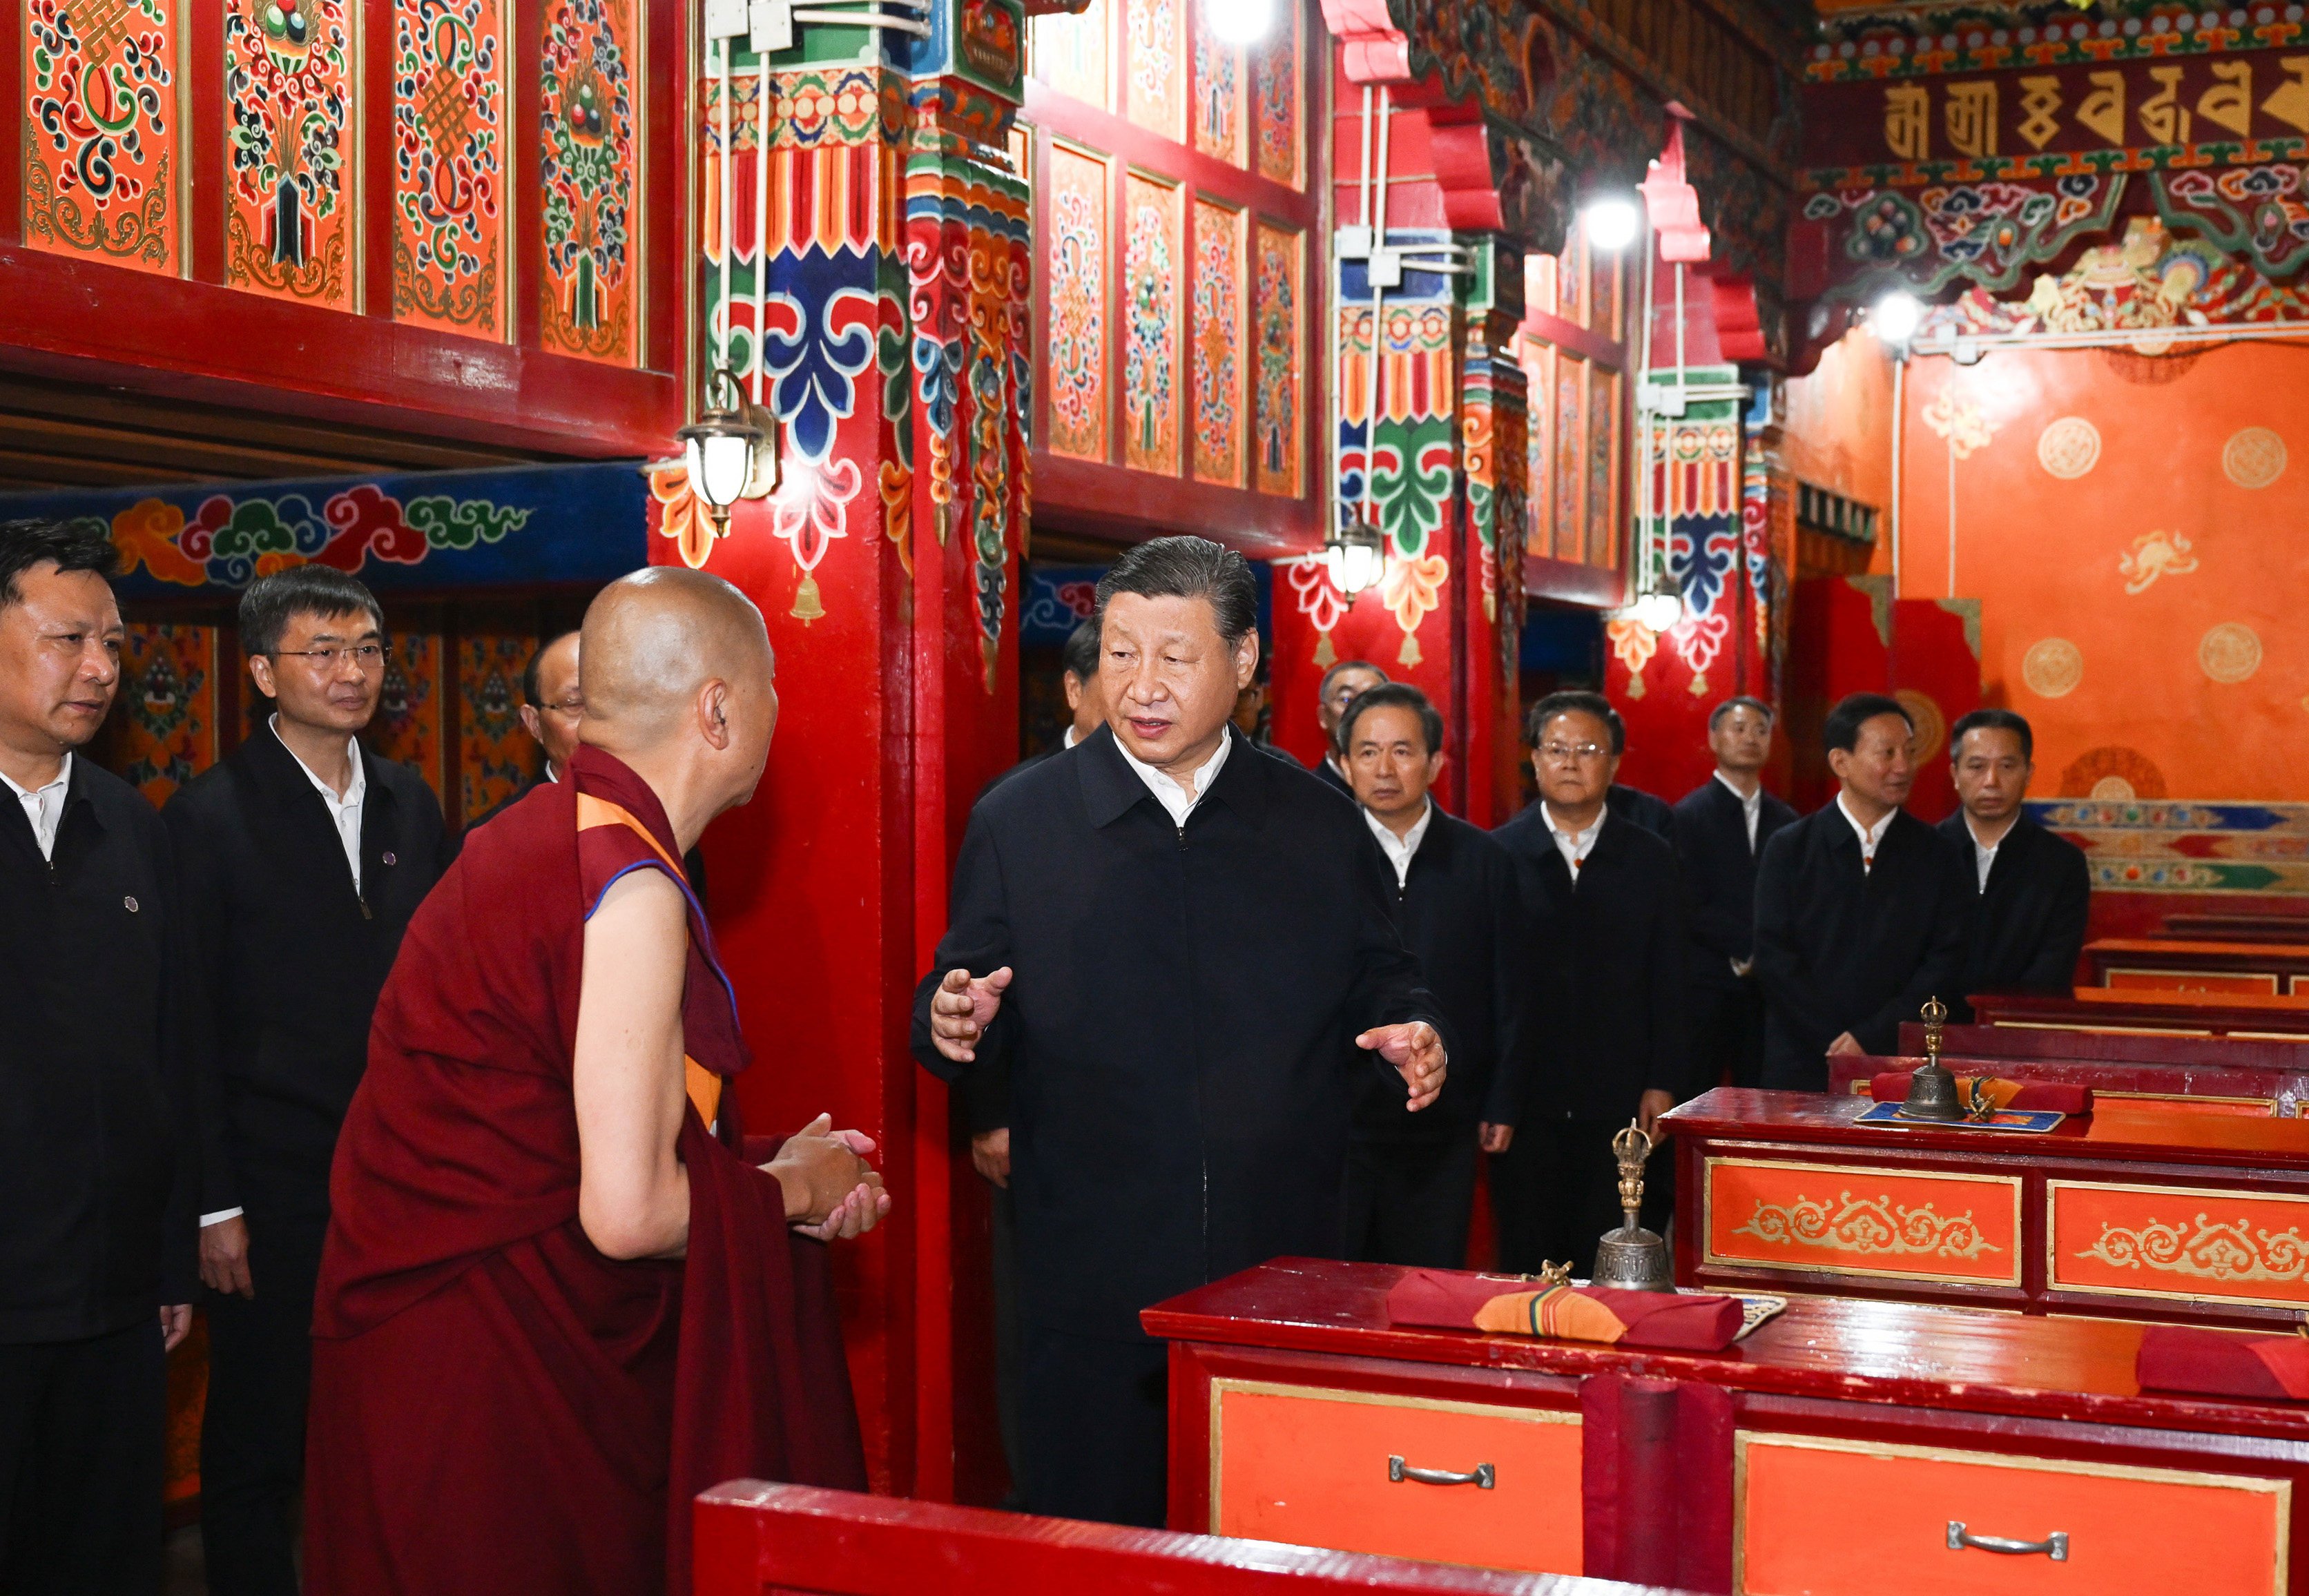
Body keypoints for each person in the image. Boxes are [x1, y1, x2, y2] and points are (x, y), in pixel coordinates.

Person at [305, 567, 883, 1595]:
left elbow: (562, 1126)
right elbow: (626, 1212)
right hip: (491, 1370)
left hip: (447, 1334)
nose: (777, 712)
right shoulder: (630, 882)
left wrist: (765, 1163)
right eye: (770, 686)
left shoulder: (546, 837)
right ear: (718, 708)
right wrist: (796, 1193)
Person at [912, 536, 1448, 1528]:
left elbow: (1386, 974)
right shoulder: (1021, 821)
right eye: (1121, 654)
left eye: (1175, 656)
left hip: (1281, 1258)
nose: (1142, 686)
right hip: (1093, 1267)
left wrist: (1412, 1030)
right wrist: (951, 1021)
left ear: (1242, 664)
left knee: (1278, 1530)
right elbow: (960, 983)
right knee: (1100, 1536)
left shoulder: (1318, 820)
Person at [165, 566, 450, 1596]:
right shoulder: (208, 817)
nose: (352, 672)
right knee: (261, 1437)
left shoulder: (413, 804)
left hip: (402, 1175)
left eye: (368, 650)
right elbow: (186, 1023)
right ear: (261, 672)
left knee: (388, 1421)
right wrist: (214, 1201)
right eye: (322, 652)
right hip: (271, 1183)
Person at [0, 519, 195, 1596]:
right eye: (68, 638)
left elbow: (170, 1049)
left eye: (114, 644)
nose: (98, 669)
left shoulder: (132, 824)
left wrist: (169, 1259)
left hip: (117, 1300)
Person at [1491, 692, 1686, 1274]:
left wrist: (1664, 1079)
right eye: (1556, 749)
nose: (1571, 762)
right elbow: (1489, 989)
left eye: (1588, 749)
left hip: (1622, 1097)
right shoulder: (1499, 855)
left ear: (1616, 763)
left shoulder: (1651, 859)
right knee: (1530, 1259)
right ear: (1535, 759)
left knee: (1615, 1259)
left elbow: (1673, 979)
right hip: (1528, 1102)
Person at [1338, 683, 1526, 1269]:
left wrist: (1504, 1099)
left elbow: (1512, 992)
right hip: (1339, 1118)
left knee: (1426, 1282)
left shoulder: (1484, 860)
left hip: (1444, 1113)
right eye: (1367, 752)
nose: (1385, 768)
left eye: (1403, 751)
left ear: (1436, 762)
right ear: (1344, 765)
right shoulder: (1318, 857)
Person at [1752, 692, 1974, 1089]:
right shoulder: (1790, 848)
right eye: (1886, 753)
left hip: (1903, 1059)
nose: (1903, 767)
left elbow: (1946, 960)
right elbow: (1775, 958)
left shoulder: (1937, 854)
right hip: (1802, 1059)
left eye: (1908, 751)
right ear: (1841, 762)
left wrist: (1871, 1035)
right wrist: (1833, 1039)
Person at [476, 626, 707, 890]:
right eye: (575, 704)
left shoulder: (666, 831)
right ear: (535, 724)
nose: (595, 724)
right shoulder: (493, 842)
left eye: (610, 701)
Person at [1674, 697, 1797, 1091]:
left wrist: (1768, 955)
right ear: (1714, 738)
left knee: (1764, 1095)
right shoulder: (1687, 815)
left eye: (1761, 731)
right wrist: (1749, 948)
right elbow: (1687, 901)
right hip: (1706, 982)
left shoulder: (1788, 821)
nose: (1750, 738)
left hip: (1770, 989)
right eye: (1739, 728)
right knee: (1694, 1093)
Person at [1940, 708, 2090, 1018]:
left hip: (2019, 1031)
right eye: (1977, 767)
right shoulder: (1923, 854)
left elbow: (2053, 966)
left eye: (2007, 766)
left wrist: (2002, 1022)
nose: (1991, 781)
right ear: (1955, 775)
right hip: (1930, 1032)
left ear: (2028, 774)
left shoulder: (2062, 864)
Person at [1313, 657, 1389, 796]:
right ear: (1323, 716)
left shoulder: (1410, 796)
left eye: (1373, 699)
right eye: (1346, 699)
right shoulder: (1303, 793)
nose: (1359, 708)